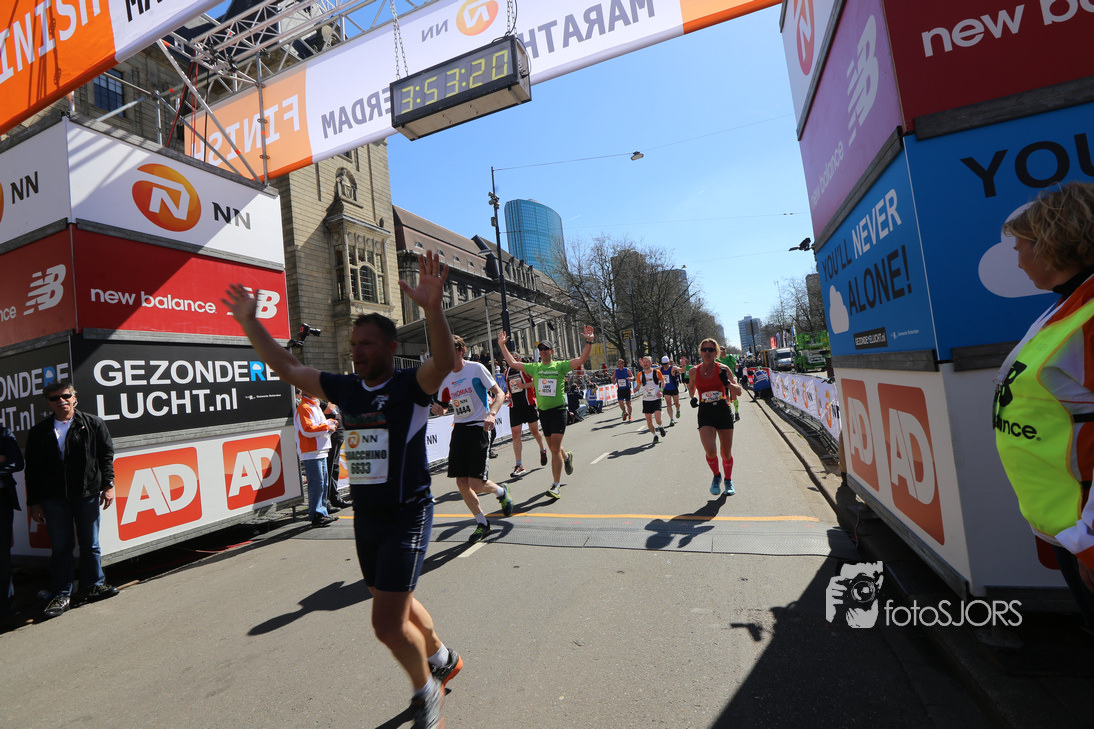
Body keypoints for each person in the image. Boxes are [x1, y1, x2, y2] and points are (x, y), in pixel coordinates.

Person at [224, 250, 460, 729]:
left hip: (407, 514)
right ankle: (442, 656)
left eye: (367, 343)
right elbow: (289, 368)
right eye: (353, 344)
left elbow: (444, 361)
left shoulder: (410, 387)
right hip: (366, 518)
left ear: (391, 347)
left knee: (386, 623)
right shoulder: (347, 389)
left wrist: (434, 308)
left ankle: (426, 691)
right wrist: (250, 324)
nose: (357, 351)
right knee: (390, 596)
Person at [991, 182, 1094, 633]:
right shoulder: (1069, 306)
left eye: (1020, 247)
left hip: (1085, 530)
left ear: (1051, 243)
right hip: (1069, 524)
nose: (1016, 259)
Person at [24, 380, 119, 619]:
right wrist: (33, 502)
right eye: (54, 398)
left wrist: (108, 485)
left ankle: (94, 585)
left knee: (91, 544)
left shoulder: (93, 423)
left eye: (65, 396)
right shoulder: (39, 431)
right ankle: (61, 594)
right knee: (61, 547)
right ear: (48, 403)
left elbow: (106, 455)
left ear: (74, 398)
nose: (61, 401)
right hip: (53, 499)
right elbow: (32, 470)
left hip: (87, 494)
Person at [432, 335, 513, 543]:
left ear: (461, 351)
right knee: (461, 482)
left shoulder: (476, 369)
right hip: (460, 430)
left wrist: (492, 414)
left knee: (476, 484)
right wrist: (439, 409)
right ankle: (482, 524)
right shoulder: (445, 377)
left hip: (480, 426)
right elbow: (443, 407)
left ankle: (501, 491)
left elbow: (500, 394)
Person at [498, 328, 595, 500]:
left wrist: (589, 342)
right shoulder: (535, 368)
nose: (543, 351)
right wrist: (501, 345)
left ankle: (556, 486)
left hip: (558, 411)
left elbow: (581, 359)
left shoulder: (560, 366)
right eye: (541, 349)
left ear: (552, 351)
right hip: (543, 412)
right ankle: (567, 456)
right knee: (554, 448)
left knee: (554, 448)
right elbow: (512, 363)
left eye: (546, 349)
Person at [689, 338, 744, 496]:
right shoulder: (694, 371)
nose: (707, 352)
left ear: (716, 353)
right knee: (710, 450)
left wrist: (727, 383)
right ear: (700, 352)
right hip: (705, 411)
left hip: (722, 410)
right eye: (704, 349)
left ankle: (728, 480)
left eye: (711, 350)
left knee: (725, 453)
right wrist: (693, 397)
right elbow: (691, 387)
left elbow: (739, 391)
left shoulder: (723, 369)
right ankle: (716, 476)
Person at [294, 389, 339, 527]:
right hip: (311, 451)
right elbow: (307, 430)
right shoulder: (304, 407)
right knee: (317, 484)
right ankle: (317, 514)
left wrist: (329, 423)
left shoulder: (313, 405)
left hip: (319, 449)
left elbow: (315, 426)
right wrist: (328, 425)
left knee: (322, 484)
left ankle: (321, 512)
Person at [504, 353, 548, 478]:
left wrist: (524, 386)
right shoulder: (506, 372)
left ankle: (542, 448)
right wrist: (507, 394)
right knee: (515, 434)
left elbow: (537, 381)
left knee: (534, 432)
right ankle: (519, 465)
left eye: (513, 359)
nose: (510, 361)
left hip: (528, 404)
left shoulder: (526, 369)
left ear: (518, 359)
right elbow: (508, 387)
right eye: (508, 359)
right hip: (515, 406)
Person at [1, 425, 24, 617]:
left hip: (2, 501)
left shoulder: (3, 433)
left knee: (2, 554)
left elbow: (16, 462)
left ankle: (4, 608)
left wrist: (5, 461)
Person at [323, 400, 352, 510]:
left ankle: (335, 498)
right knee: (329, 469)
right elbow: (329, 409)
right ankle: (327, 501)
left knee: (334, 468)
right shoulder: (320, 401)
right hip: (331, 438)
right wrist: (334, 399)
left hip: (337, 437)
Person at [636, 356, 668, 444]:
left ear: (650, 363)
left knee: (657, 419)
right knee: (649, 421)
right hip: (646, 400)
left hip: (656, 399)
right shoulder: (640, 374)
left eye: (647, 362)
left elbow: (663, 381)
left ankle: (660, 426)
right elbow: (638, 385)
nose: (645, 364)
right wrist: (636, 389)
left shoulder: (656, 372)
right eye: (644, 362)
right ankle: (655, 435)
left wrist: (661, 390)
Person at [717, 346, 741, 421]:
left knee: (734, 396)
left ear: (726, 350)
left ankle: (736, 412)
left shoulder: (730, 357)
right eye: (720, 349)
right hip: (723, 380)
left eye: (723, 349)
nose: (722, 350)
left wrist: (736, 365)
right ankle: (730, 412)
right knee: (726, 397)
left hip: (732, 378)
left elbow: (736, 363)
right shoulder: (717, 359)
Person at [659, 355, 682, 424]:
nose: (665, 366)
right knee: (668, 404)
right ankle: (671, 419)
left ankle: (678, 409)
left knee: (676, 403)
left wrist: (683, 366)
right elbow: (651, 369)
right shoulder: (660, 369)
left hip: (674, 388)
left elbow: (681, 370)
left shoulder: (673, 368)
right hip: (666, 389)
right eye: (664, 364)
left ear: (668, 363)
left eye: (666, 364)